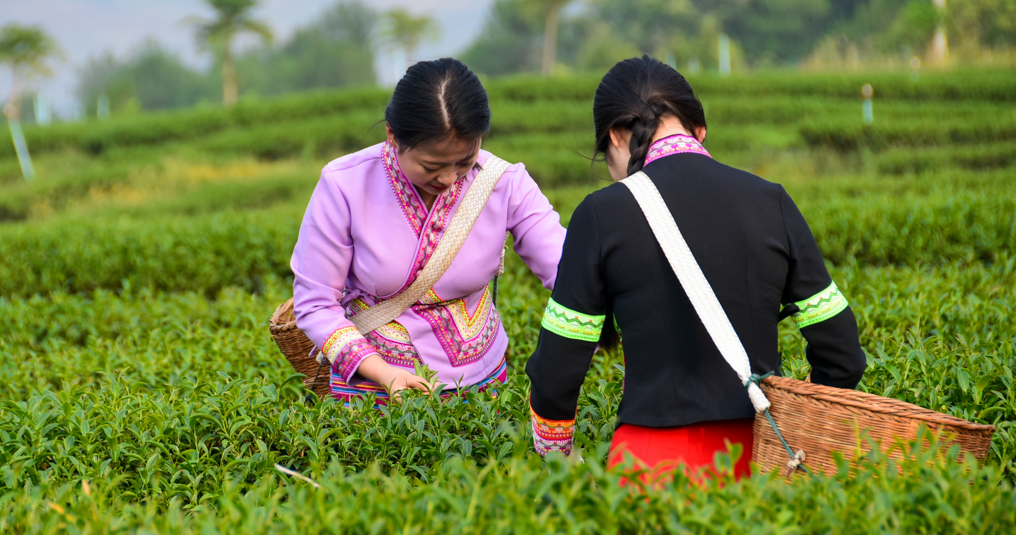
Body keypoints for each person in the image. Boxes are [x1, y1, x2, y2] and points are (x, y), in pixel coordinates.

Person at [526, 55, 866, 480]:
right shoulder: (771, 200)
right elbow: (842, 353)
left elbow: (556, 372)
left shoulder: (600, 214)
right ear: (699, 129)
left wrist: (558, 459)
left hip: (650, 466)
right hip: (763, 463)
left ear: (613, 134)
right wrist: (806, 433)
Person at [292, 58, 565, 404]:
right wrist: (383, 373)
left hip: (481, 383)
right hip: (375, 386)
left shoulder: (505, 183)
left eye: (464, 161)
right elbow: (315, 304)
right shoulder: (345, 184)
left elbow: (566, 267)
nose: (449, 178)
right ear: (392, 135)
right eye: (431, 165)